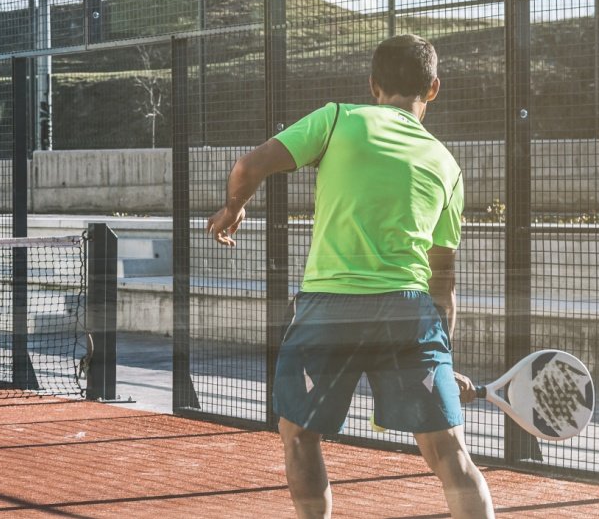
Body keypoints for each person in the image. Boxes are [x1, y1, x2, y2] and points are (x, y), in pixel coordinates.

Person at [206, 34, 495, 518]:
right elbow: (442, 282)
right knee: (449, 453)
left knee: (300, 435)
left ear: (373, 84)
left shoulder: (338, 117)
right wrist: (442, 355)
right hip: (410, 312)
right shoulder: (448, 166)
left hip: (330, 308)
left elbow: (247, 166)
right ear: (435, 88)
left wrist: (235, 207)